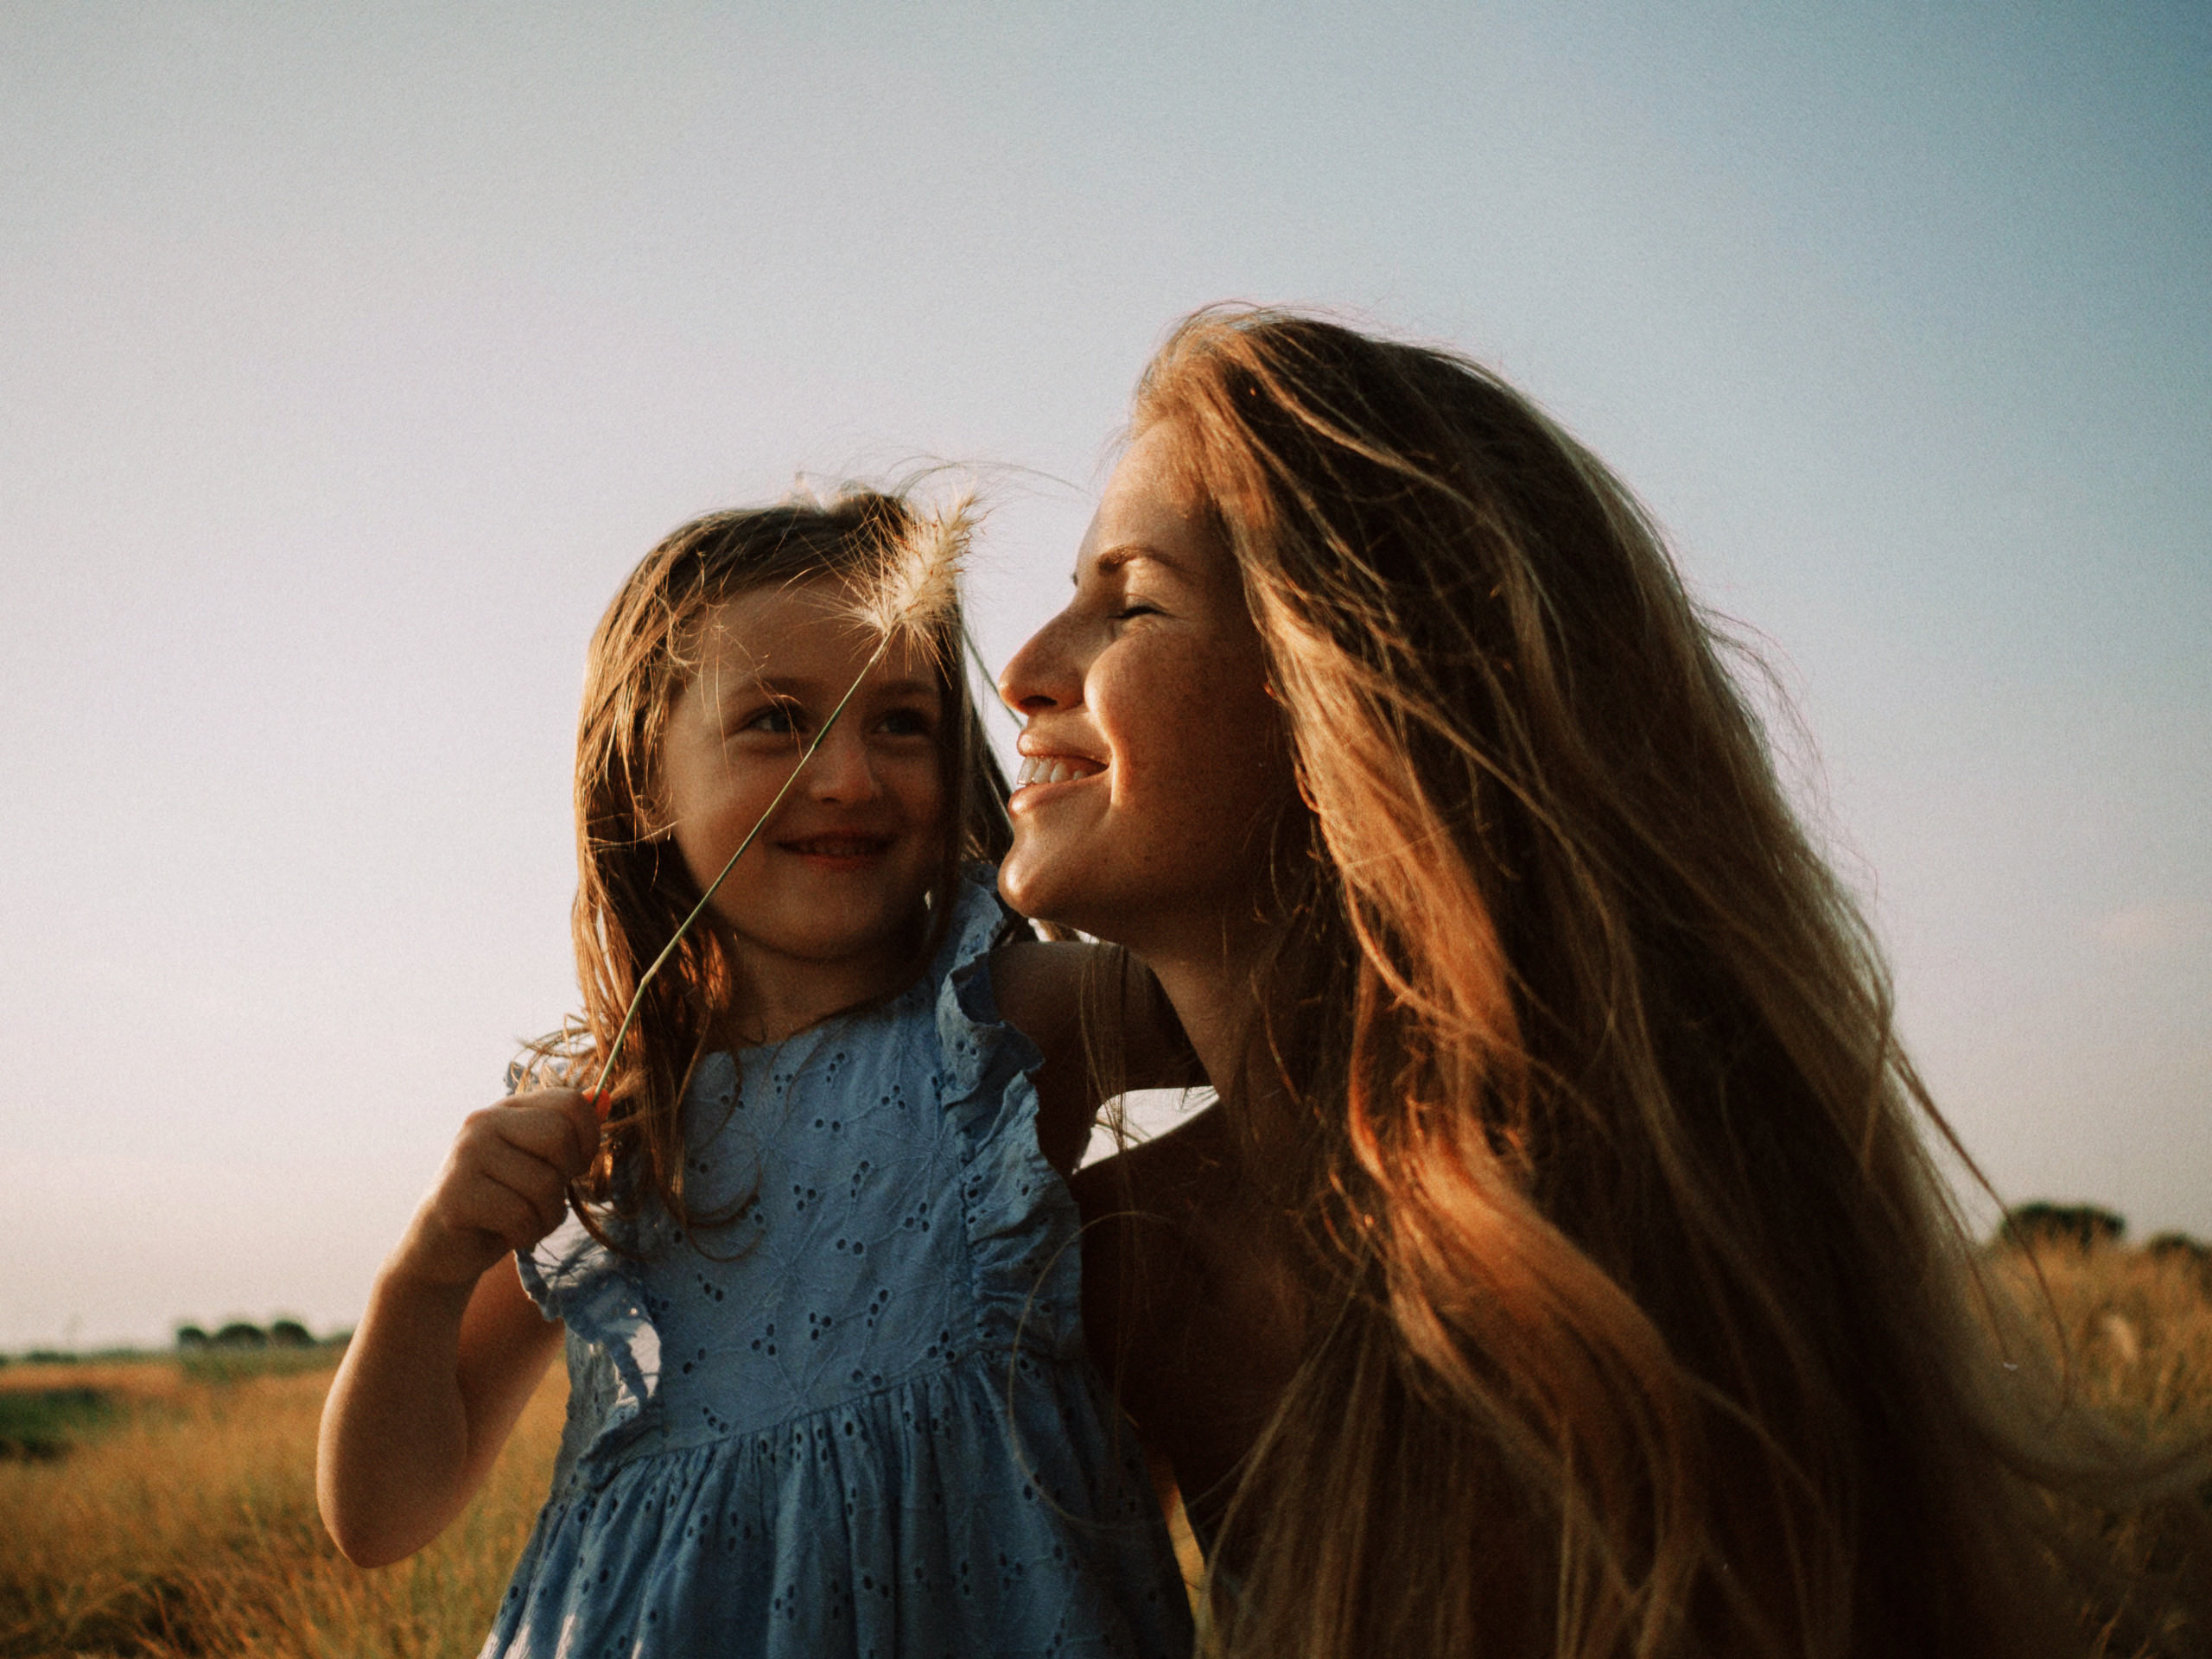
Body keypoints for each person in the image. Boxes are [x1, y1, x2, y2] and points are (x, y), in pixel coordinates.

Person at [995, 307, 2204, 1658]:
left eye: (1131, 600)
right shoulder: (1120, 1235)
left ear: (1356, 687)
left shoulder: (1588, 1308)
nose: (1025, 666)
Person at [317, 489, 1194, 1659]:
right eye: (778, 720)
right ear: (645, 780)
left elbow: (1278, 1004)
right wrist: (426, 1271)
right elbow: (381, 1518)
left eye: (901, 721)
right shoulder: (615, 1131)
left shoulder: (1004, 1018)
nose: (845, 775)